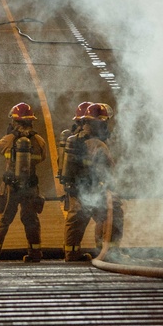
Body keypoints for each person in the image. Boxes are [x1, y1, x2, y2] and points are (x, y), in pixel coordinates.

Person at [0, 102, 48, 263]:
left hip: (10, 188)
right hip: (30, 187)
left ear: (14, 122)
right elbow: (42, 157)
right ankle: (35, 254)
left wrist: (11, 135)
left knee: (2, 219)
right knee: (31, 220)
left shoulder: (9, 140)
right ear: (31, 121)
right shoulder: (38, 141)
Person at [60, 102, 116, 262]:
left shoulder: (73, 141)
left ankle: (71, 254)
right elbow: (110, 168)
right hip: (92, 189)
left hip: (75, 189)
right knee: (110, 214)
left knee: (75, 222)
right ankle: (106, 253)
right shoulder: (98, 144)